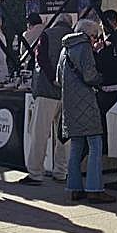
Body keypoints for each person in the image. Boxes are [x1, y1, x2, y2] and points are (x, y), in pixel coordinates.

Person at [59, 18, 114, 204]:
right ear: (88, 35)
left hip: (69, 103)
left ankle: (74, 188)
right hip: (86, 103)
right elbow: (90, 76)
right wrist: (101, 78)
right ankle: (94, 189)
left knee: (76, 146)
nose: (95, 40)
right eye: (95, 36)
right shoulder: (84, 48)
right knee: (95, 144)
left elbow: (59, 78)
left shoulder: (65, 49)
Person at [19, 12, 72, 186]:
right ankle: (61, 171)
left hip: (46, 91)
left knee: (39, 134)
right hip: (67, 93)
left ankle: (35, 173)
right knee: (64, 136)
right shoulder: (75, 37)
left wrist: (52, 78)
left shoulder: (47, 34)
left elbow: (40, 58)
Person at [94, 10, 117, 126]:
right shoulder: (100, 38)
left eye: (105, 22)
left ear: (114, 22)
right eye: (101, 23)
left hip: (116, 86)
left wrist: (100, 52)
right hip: (103, 87)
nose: (102, 25)